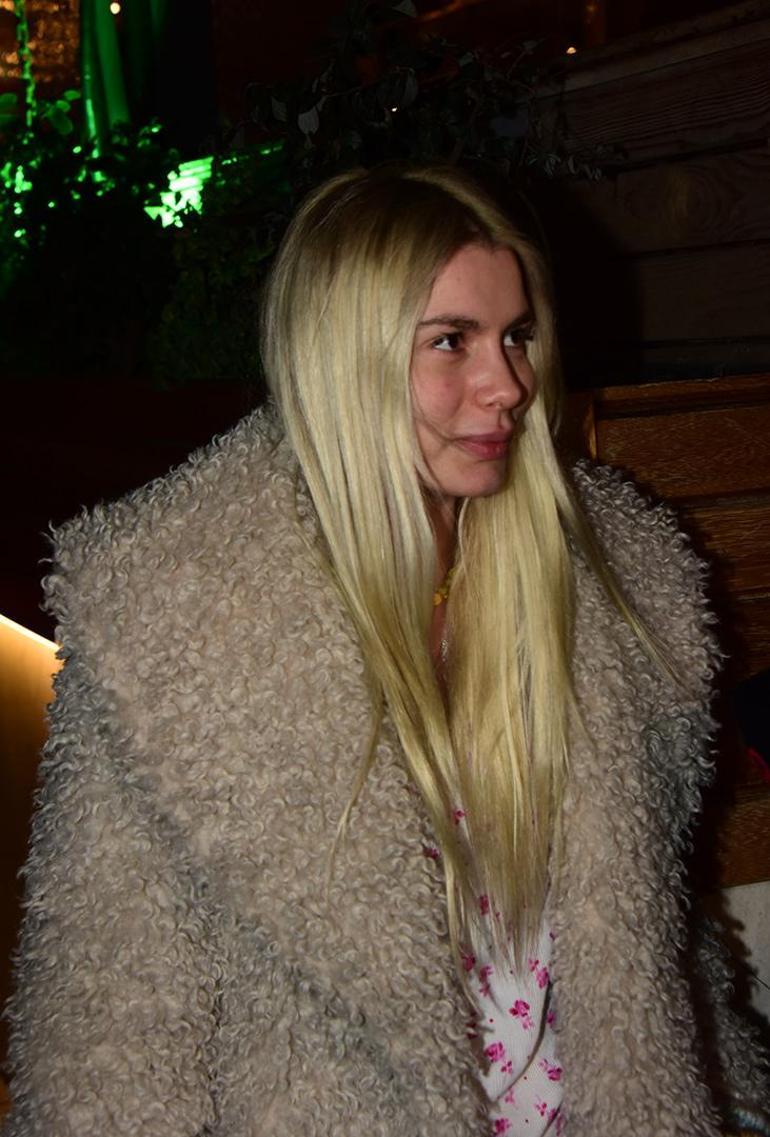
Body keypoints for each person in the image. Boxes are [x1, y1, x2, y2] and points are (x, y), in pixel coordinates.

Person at [3, 164, 769, 1137]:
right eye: (451, 340)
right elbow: (106, 1042)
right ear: (343, 361)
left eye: (516, 335)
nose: (508, 384)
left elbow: (652, 946)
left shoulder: (616, 591)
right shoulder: (167, 637)